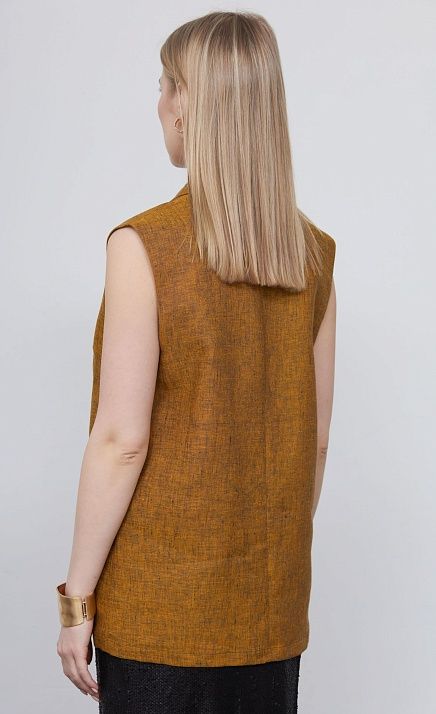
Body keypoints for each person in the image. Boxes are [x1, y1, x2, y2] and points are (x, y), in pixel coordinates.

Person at [56, 10, 336, 713]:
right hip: (270, 613)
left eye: (164, 84)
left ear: (188, 102)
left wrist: (76, 600)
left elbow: (121, 441)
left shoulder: (145, 246)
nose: (159, 103)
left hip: (160, 616)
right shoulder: (312, 257)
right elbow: (314, 443)